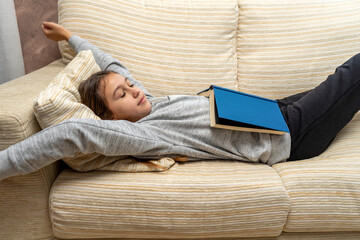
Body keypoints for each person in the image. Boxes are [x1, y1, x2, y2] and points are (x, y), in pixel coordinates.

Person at [1, 21, 360, 181]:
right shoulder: (142, 135)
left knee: (340, 85)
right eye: (121, 94)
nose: (134, 89)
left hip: (272, 112)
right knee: (353, 72)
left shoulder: (151, 104)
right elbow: (70, 134)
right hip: (289, 136)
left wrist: (70, 37)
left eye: (129, 85)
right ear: (109, 119)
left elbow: (112, 66)